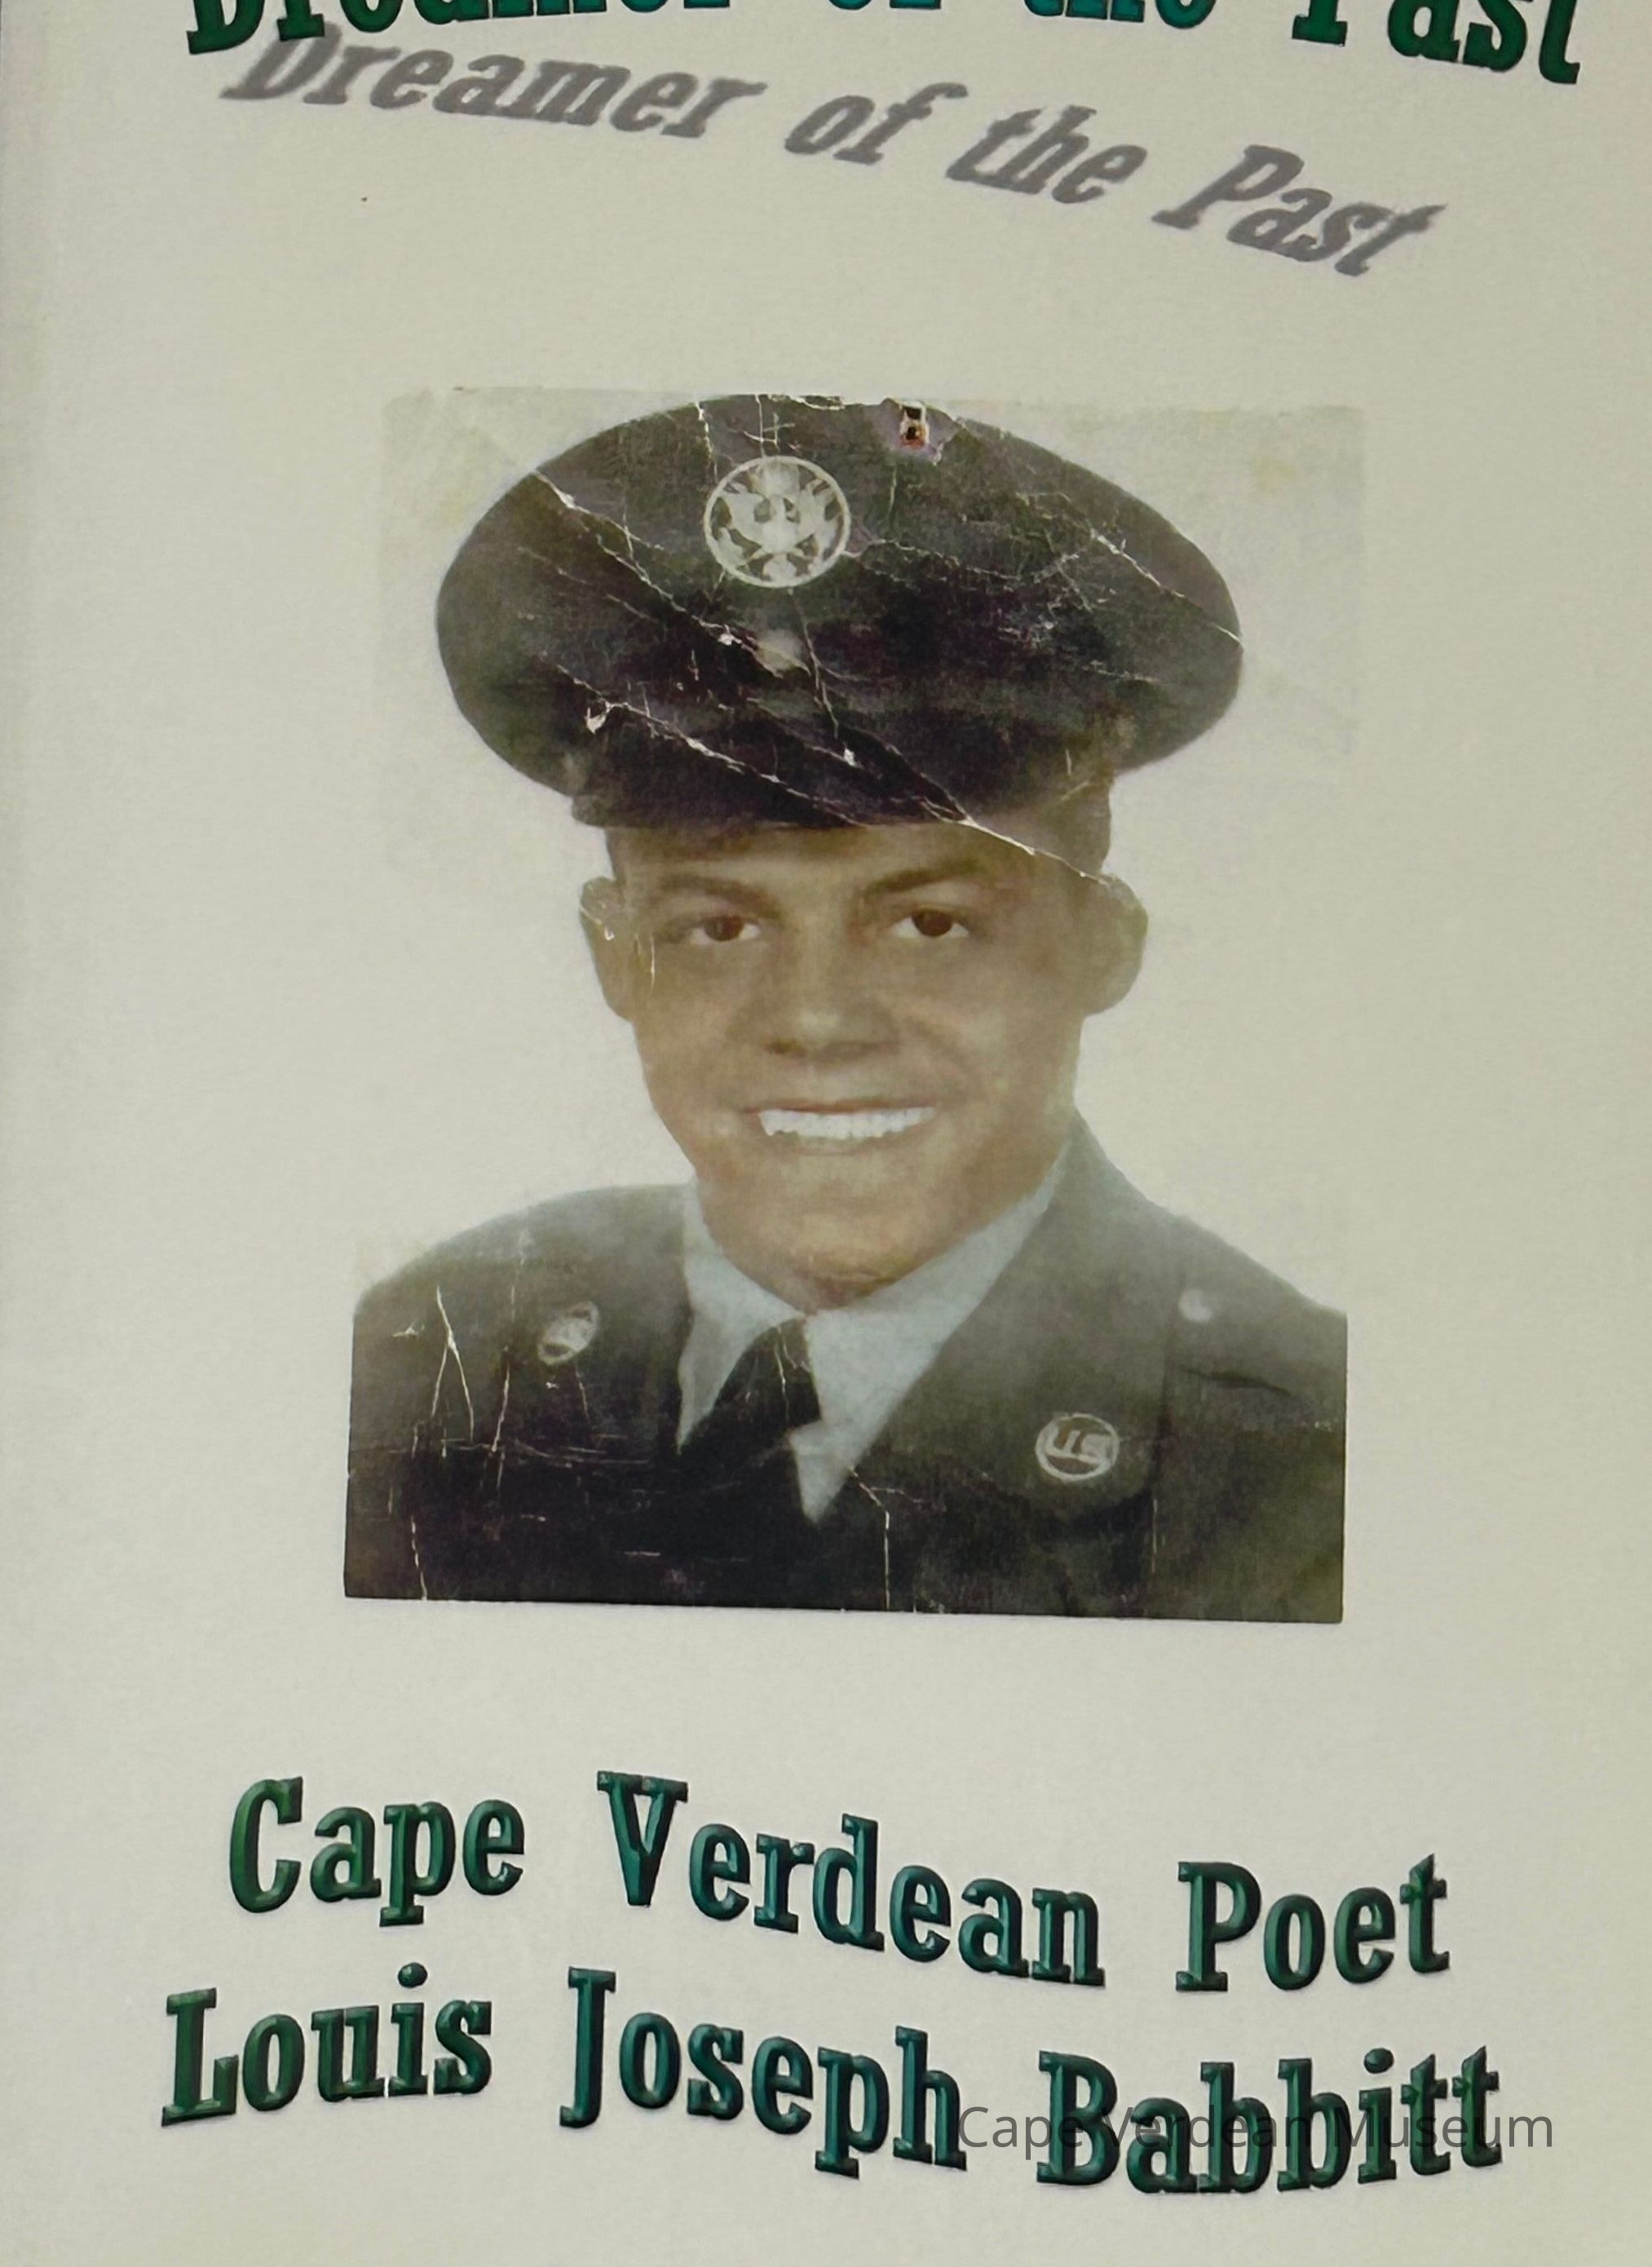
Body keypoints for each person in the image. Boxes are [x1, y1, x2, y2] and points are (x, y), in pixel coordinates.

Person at [346, 393, 1344, 1620]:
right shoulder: (429, 1360)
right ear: (614, 957)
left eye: (929, 924)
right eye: (718, 928)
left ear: (1102, 944)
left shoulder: (1301, 1467)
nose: (815, 1021)